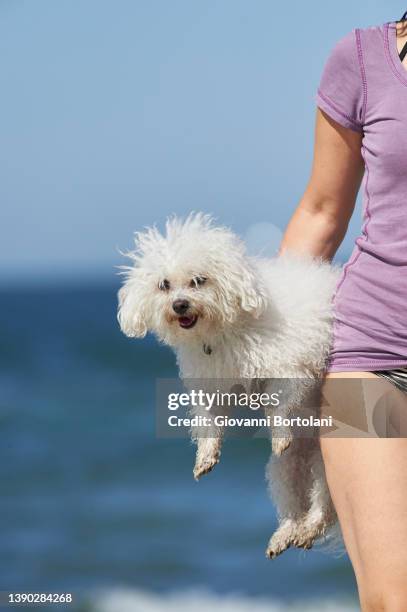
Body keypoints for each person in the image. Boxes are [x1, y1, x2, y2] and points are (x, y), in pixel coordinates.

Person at [280, 14, 407, 612]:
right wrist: (275, 359)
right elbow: (322, 212)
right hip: (371, 353)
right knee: (393, 597)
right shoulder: (362, 59)